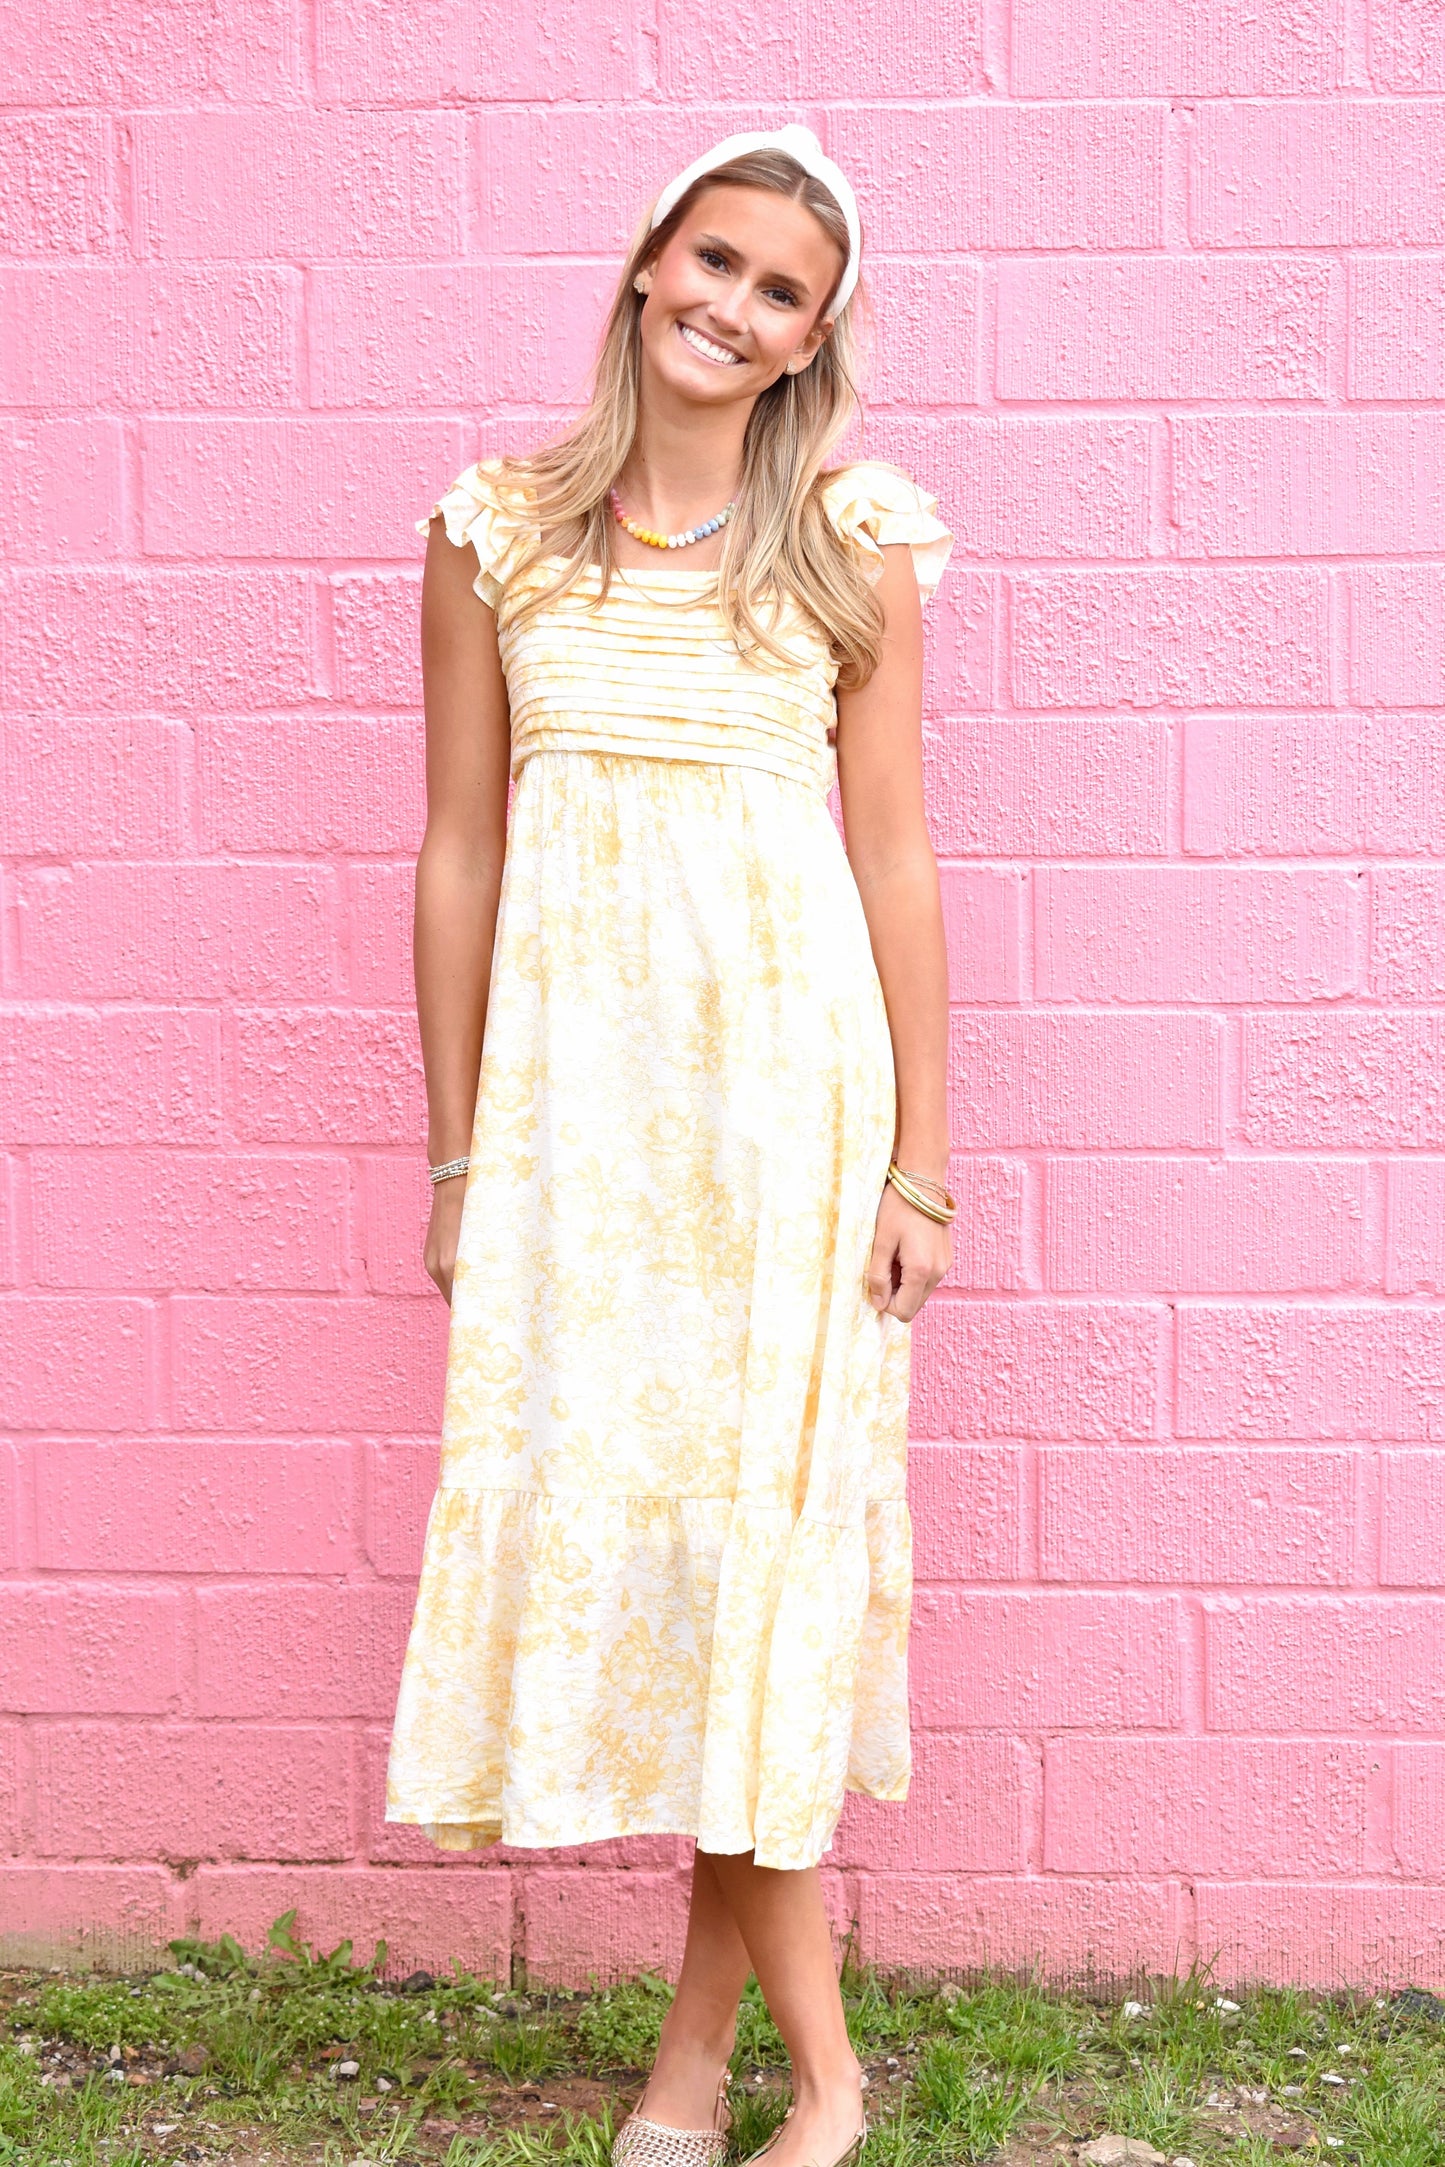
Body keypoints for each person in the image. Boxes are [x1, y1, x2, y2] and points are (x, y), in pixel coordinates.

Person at [385, 122, 956, 2167]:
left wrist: (921, 1161)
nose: (732, 304)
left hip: (795, 1117)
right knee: (668, 1567)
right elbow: (461, 852)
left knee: (762, 1577)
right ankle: (725, 2070)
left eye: (779, 290)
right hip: (582, 1129)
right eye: (713, 261)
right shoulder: (497, 535)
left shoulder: (850, 542)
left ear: (810, 340)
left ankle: (791, 2078)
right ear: (649, 265)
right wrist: (459, 1157)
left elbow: (893, 858)